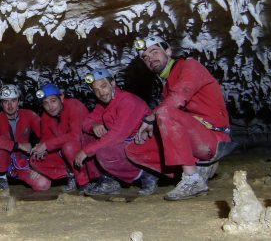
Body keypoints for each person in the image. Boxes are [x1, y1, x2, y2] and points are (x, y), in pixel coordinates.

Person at [130, 35, 236, 200]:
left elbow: (179, 97)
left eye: (154, 51)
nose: (150, 58)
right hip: (194, 136)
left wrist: (152, 117)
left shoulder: (190, 65)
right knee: (135, 149)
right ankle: (189, 170)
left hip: (214, 136)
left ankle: (192, 179)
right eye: (145, 57)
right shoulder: (167, 87)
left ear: (168, 50)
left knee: (165, 112)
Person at [74, 68, 160, 196]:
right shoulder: (104, 104)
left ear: (113, 83)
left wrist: (87, 151)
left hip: (144, 145)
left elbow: (118, 134)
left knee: (104, 152)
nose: (101, 93)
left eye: (103, 86)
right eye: (96, 90)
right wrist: (94, 126)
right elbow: (86, 122)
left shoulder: (127, 101)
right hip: (125, 143)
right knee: (87, 137)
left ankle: (147, 175)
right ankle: (106, 180)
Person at [32, 83, 99, 192]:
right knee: (35, 159)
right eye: (45, 103)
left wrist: (46, 145)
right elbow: (46, 138)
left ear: (61, 98)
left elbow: (76, 135)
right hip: (68, 154)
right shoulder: (45, 116)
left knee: (68, 146)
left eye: (53, 101)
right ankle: (71, 174)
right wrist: (40, 147)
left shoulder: (74, 105)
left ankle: (85, 182)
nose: (50, 107)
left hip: (87, 152)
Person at [0, 84, 50, 191]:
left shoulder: (29, 115)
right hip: (1, 162)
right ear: (1, 103)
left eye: (13, 101)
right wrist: (18, 145)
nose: (10, 105)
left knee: (44, 184)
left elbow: (45, 133)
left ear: (19, 101)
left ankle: (21, 174)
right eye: (6, 101)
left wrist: (37, 149)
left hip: (22, 160)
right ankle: (2, 179)